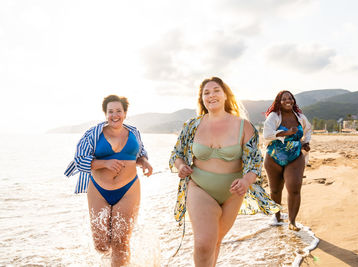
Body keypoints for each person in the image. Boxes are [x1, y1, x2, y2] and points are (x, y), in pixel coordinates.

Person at [169, 77, 280, 267]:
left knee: (216, 241)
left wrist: (246, 181)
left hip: (233, 192)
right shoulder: (192, 125)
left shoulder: (244, 126)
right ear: (201, 99)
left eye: (216, 90)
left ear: (226, 95)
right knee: (204, 243)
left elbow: (254, 162)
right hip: (199, 187)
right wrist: (181, 166)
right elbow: (176, 154)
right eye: (206, 92)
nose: (211, 95)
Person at [64, 95, 153, 266]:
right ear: (105, 114)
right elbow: (79, 160)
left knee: (121, 242)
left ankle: (119, 262)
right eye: (110, 111)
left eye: (118, 111)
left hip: (129, 189)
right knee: (101, 244)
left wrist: (145, 162)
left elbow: (140, 155)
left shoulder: (134, 132)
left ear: (125, 113)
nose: (115, 115)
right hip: (99, 190)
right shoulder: (93, 134)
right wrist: (105, 162)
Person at [263, 90, 311, 231]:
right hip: (274, 157)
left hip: (294, 156)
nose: (287, 101)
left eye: (290, 98)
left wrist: (305, 143)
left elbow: (308, 130)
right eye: (284, 99)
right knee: (275, 190)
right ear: (279, 102)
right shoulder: (273, 116)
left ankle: (292, 222)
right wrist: (287, 132)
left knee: (294, 188)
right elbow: (267, 134)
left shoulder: (300, 117)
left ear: (293, 101)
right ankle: (276, 218)